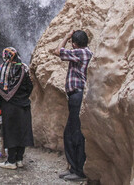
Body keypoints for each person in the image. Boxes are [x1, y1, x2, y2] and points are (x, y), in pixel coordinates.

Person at [53, 30, 93, 182]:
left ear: (74, 44)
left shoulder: (80, 53)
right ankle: (73, 168)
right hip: (77, 96)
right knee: (72, 132)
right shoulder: (86, 52)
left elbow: (57, 51)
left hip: (77, 95)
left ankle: (78, 170)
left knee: (74, 133)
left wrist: (66, 36)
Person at [0, 47, 33, 170]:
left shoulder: (3, 69)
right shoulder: (24, 68)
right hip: (24, 105)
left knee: (11, 132)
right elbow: (30, 86)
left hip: (10, 107)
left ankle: (11, 161)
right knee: (22, 131)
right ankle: (20, 159)